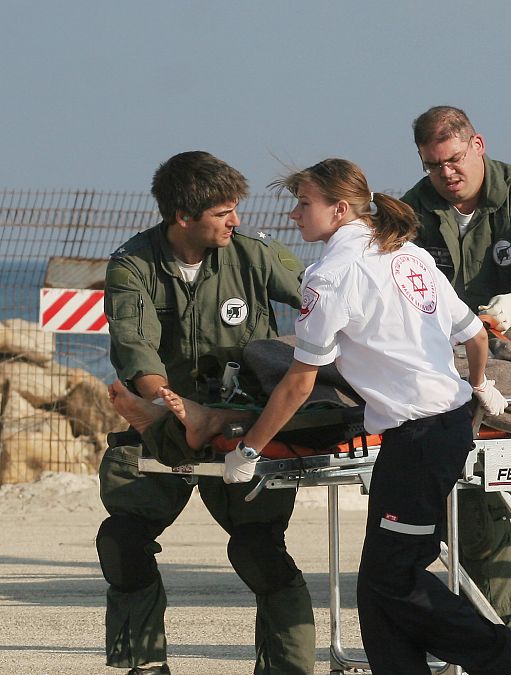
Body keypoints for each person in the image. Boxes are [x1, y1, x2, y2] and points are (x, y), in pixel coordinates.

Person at [211, 157, 511, 674]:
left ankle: (510, 662)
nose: (295, 215)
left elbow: (299, 382)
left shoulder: (330, 276)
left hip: (420, 439)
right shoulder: (410, 256)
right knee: (377, 585)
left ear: (340, 209)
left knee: (394, 580)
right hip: (440, 429)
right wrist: (480, 385)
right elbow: (476, 335)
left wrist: (249, 449)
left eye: (304, 204)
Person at [97, 151, 313, 675]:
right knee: (122, 542)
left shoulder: (255, 255)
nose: (235, 220)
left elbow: (321, 298)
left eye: (235, 208)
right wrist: (169, 406)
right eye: (222, 212)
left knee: (260, 551)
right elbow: (135, 347)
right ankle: (146, 665)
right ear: (183, 216)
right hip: (164, 415)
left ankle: (287, 668)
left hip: (242, 425)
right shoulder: (133, 265)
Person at [401, 105, 511, 633]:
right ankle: (489, 631)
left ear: (478, 144)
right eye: (433, 165)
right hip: (452, 358)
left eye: (454, 159)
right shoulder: (414, 208)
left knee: (483, 499)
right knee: (462, 500)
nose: (446, 173)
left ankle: (501, 630)